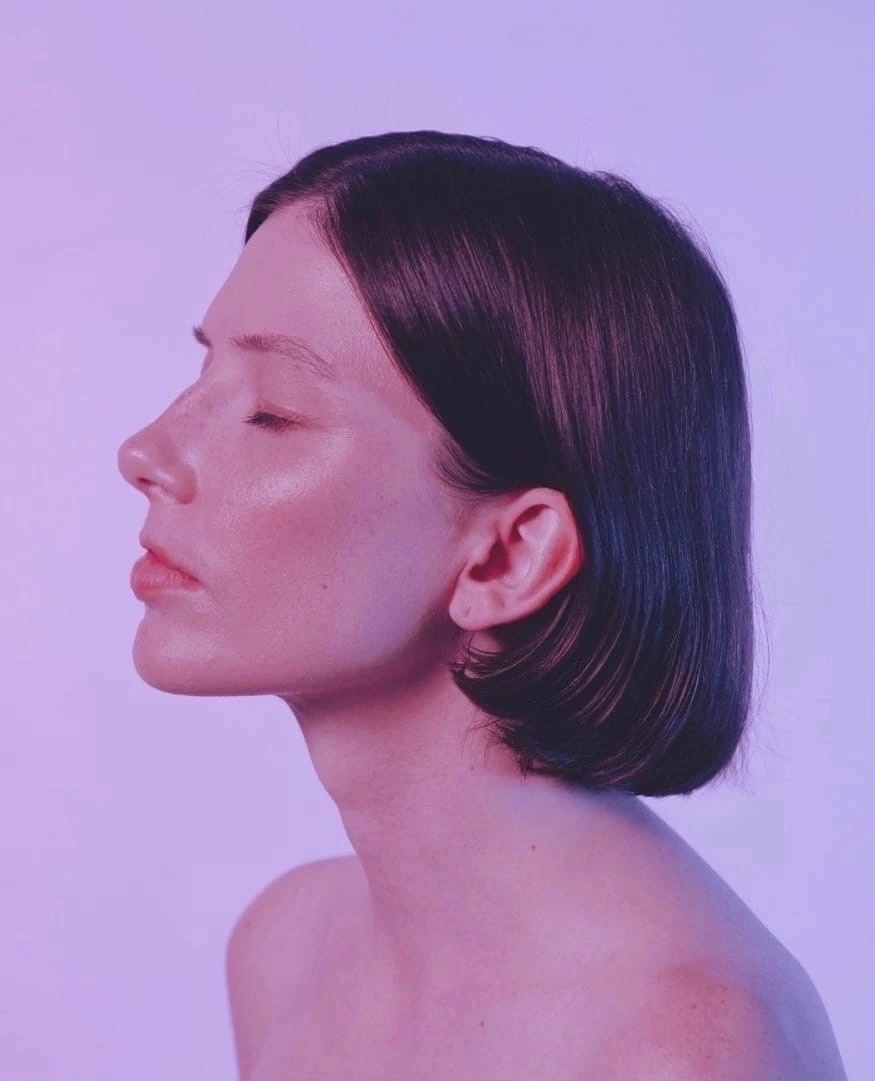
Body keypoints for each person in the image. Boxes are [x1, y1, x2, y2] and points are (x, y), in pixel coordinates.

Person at [117, 130, 847, 1081]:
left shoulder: (682, 1053)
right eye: (202, 374)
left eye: (272, 412)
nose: (145, 453)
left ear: (509, 554)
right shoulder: (286, 951)